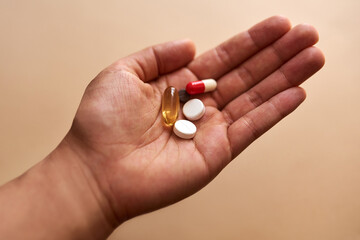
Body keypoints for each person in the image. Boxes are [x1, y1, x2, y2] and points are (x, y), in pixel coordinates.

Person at [0, 16, 324, 240]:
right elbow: (173, 117)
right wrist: (90, 179)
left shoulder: (182, 103)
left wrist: (88, 182)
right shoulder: (173, 109)